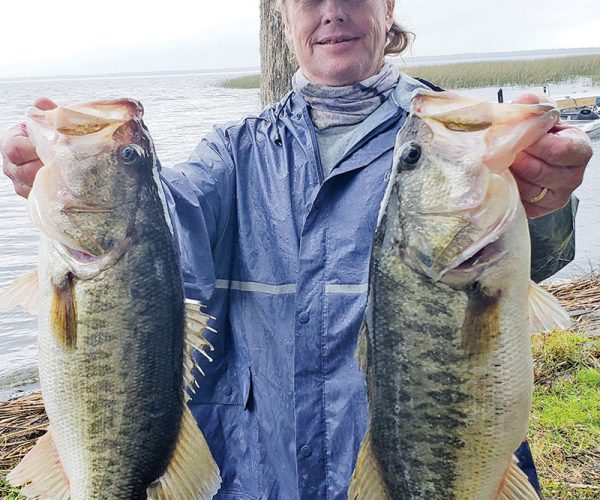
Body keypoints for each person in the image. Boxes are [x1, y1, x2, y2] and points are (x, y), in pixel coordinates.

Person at [1, 0, 592, 498]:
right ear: (284, 20)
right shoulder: (233, 152)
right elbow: (160, 235)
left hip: (433, 461)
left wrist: (545, 196)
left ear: (388, 10)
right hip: (258, 472)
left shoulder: (454, 140)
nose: (332, 13)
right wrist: (85, 186)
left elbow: (539, 261)